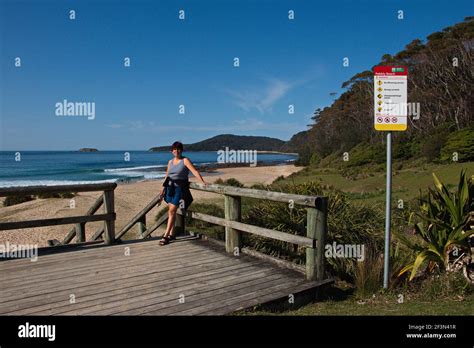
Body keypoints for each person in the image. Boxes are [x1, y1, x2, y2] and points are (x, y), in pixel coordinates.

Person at [159, 141, 207, 245]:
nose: (176, 151)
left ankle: (165, 236)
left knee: (171, 211)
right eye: (174, 149)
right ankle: (172, 234)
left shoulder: (185, 160)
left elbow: (194, 171)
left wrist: (202, 182)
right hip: (169, 188)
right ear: (172, 151)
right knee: (172, 211)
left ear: (181, 150)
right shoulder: (170, 162)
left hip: (179, 189)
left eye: (178, 149)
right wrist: (162, 188)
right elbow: (167, 176)